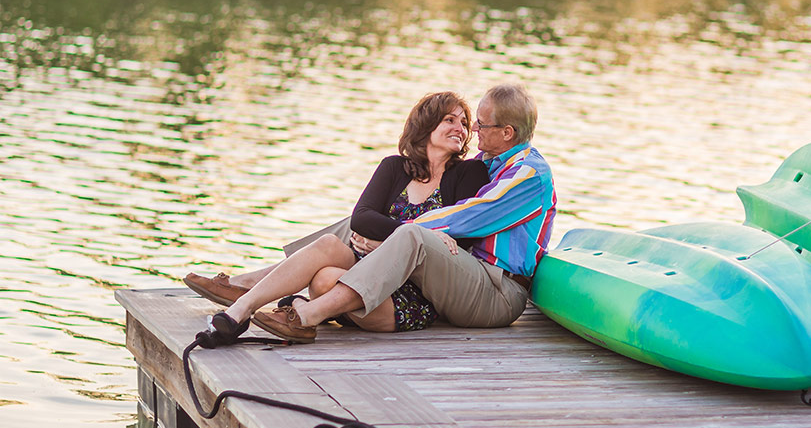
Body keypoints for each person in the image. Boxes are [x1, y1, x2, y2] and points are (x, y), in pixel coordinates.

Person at [204, 83, 556, 343]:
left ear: (507, 133)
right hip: (462, 278)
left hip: (496, 292)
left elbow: (469, 215)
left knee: (406, 231)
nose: (472, 130)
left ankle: (306, 314)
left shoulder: (529, 175)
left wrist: (393, 235)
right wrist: (387, 232)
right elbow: (366, 220)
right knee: (347, 229)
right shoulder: (487, 162)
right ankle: (249, 288)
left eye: (479, 123)